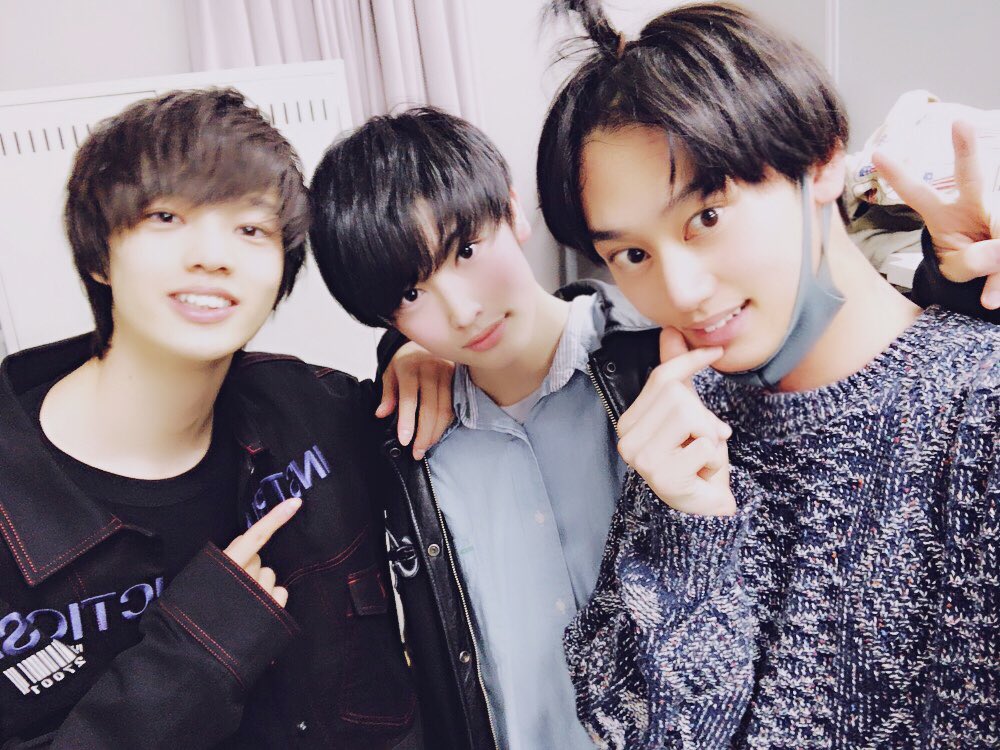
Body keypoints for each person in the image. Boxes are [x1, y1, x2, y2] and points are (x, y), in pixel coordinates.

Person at [535, 2, 999, 748]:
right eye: (632, 255)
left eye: (707, 217)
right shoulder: (688, 417)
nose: (680, 291)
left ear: (822, 160)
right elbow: (632, 729)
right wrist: (694, 533)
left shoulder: (976, 412)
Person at [0, 88, 450, 749]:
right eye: (166, 216)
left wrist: (422, 346)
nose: (214, 255)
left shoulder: (311, 412)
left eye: (251, 229)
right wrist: (195, 653)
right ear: (98, 255)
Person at [308, 107, 660, 749]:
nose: (463, 310)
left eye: (466, 252)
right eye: (411, 295)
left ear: (513, 211)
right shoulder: (406, 449)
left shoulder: (656, 360)